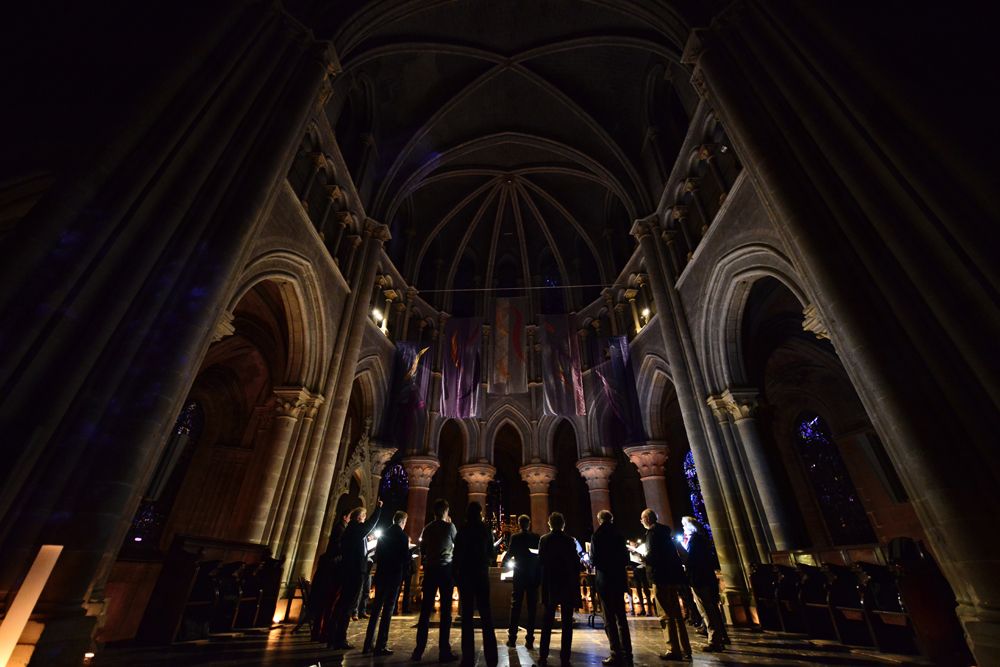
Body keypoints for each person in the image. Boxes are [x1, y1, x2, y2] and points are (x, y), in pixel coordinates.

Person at [328, 500, 382, 650]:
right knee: (347, 605)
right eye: (363, 518)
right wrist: (378, 508)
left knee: (343, 604)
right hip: (354, 571)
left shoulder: (351, 531)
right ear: (359, 518)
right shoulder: (354, 529)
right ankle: (339, 638)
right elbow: (370, 525)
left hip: (351, 569)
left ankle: (333, 637)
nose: (364, 521)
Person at [641, 509, 691, 661]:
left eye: (642, 519)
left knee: (665, 614)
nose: (641, 521)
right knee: (676, 613)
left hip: (660, 577)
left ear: (648, 519)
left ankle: (673, 649)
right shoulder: (665, 532)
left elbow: (652, 556)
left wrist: (641, 557)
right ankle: (685, 648)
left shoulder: (652, 534)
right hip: (672, 576)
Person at [452, 501, 498, 667]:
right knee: (487, 615)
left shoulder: (463, 529)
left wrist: (455, 575)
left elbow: (457, 554)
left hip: (466, 575)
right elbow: (492, 554)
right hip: (481, 574)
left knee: (467, 619)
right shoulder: (486, 529)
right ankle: (492, 658)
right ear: (480, 513)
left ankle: (468, 658)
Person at [413, 499, 459, 663]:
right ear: (446, 512)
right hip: (445, 569)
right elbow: (457, 543)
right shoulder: (449, 527)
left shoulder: (427, 528)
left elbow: (423, 550)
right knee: (446, 612)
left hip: (431, 570)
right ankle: (444, 651)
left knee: (425, 611)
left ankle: (418, 650)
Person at [363, 511, 411, 655]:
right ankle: (381, 645)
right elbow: (405, 558)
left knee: (376, 609)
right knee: (388, 610)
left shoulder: (384, 534)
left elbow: (378, 553)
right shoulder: (403, 537)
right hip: (394, 576)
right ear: (403, 522)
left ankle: (368, 644)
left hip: (382, 575)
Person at [538, 512, 581, 667]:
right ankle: (565, 659)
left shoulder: (545, 539)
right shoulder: (569, 540)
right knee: (567, 623)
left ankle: (543, 657)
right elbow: (575, 561)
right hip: (567, 584)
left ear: (550, 524)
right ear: (563, 524)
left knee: (547, 622)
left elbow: (541, 560)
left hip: (551, 584)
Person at [590, 510, 633, 667]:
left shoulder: (597, 536)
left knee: (609, 619)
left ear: (600, 520)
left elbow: (593, 560)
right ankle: (627, 652)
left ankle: (616, 654)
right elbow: (625, 559)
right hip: (619, 580)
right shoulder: (619, 537)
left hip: (605, 580)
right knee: (621, 617)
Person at [682, 517, 729, 652]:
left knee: (706, 610)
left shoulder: (695, 542)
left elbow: (692, 561)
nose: (683, 528)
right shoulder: (701, 540)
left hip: (699, 579)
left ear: (691, 527)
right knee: (711, 609)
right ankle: (721, 637)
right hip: (706, 578)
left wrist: (681, 552)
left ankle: (714, 640)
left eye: (685, 525)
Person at [501, 514, 540, 649]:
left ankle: (512, 638)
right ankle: (530, 638)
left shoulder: (515, 537)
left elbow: (510, 552)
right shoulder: (536, 537)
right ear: (529, 524)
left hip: (519, 576)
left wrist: (504, 564)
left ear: (519, 524)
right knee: (532, 607)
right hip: (533, 576)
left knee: (515, 605)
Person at [629, 539, 653, 616]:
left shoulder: (641, 549)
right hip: (635, 571)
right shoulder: (630, 553)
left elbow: (644, 560)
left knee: (646, 589)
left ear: (635, 545)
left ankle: (649, 609)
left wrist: (639, 555)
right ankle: (642, 609)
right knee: (638, 589)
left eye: (632, 545)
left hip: (642, 570)